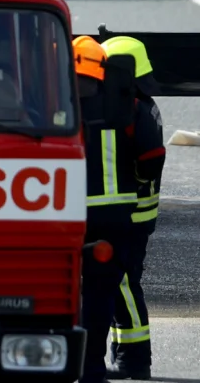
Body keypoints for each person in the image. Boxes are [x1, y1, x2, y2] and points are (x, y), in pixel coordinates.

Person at [73, 36, 139, 383]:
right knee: (100, 297)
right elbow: (149, 158)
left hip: (66, 218)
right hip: (113, 221)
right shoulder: (127, 107)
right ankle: (92, 370)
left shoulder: (53, 106)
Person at [102, 36, 167, 380]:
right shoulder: (143, 103)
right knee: (121, 285)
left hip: (130, 215)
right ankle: (123, 353)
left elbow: (150, 162)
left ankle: (134, 358)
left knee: (123, 284)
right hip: (138, 214)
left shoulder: (135, 109)